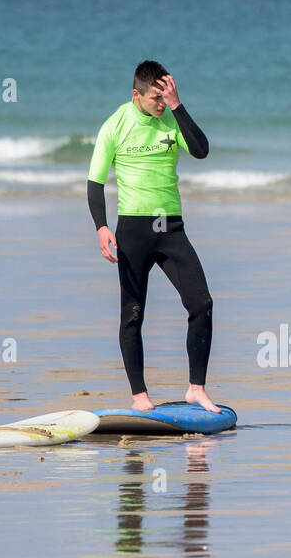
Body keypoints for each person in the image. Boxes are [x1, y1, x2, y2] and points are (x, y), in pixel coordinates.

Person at [88, 61, 219, 412]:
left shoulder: (171, 117)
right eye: (154, 98)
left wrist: (178, 106)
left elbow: (202, 150)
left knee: (201, 303)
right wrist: (101, 227)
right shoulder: (114, 125)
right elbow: (95, 182)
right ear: (136, 95)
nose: (160, 104)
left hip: (170, 228)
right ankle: (140, 397)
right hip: (132, 230)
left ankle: (196, 388)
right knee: (132, 314)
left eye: (165, 97)